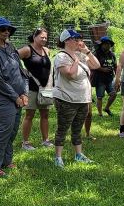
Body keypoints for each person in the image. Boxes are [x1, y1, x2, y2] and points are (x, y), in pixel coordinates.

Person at [0, 17, 28, 177]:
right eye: (3, 29)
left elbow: (20, 70)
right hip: (2, 98)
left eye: (8, 29)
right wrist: (15, 96)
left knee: (13, 131)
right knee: (4, 130)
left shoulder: (10, 46)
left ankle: (6, 161)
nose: (6, 32)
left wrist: (24, 92)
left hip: (18, 96)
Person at [53, 29, 100, 167]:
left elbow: (96, 65)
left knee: (77, 129)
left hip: (82, 100)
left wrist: (86, 51)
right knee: (63, 129)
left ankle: (79, 155)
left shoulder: (80, 54)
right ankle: (58, 157)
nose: (79, 41)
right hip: (66, 99)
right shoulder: (61, 57)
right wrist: (76, 60)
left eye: (80, 38)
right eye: (76, 39)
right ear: (67, 41)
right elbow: (70, 74)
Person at [18, 27, 54, 150]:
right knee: (29, 115)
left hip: (46, 88)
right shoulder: (27, 50)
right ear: (35, 37)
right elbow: (12, 58)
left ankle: (46, 140)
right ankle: (25, 143)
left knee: (45, 115)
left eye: (46, 37)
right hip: (31, 88)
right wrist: (22, 72)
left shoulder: (47, 50)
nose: (44, 39)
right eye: (42, 37)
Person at [92, 36, 118, 116]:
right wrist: (102, 69)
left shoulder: (112, 55)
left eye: (109, 44)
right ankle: (100, 114)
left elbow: (115, 66)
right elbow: (92, 65)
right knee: (100, 97)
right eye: (106, 44)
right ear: (102, 45)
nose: (108, 45)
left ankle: (106, 108)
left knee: (113, 94)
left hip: (109, 79)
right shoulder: (96, 54)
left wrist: (117, 77)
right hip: (99, 79)